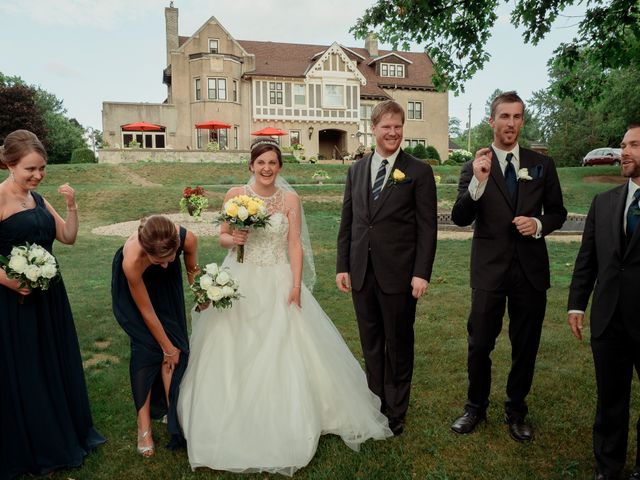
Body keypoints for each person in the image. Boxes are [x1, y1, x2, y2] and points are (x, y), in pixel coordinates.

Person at [177, 137, 391, 476]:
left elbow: (295, 246)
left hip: (278, 279)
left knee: (286, 343)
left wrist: (295, 285)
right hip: (240, 275)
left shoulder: (290, 198)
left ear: (279, 167)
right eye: (260, 162)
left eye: (272, 163)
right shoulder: (235, 195)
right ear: (251, 165)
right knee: (234, 344)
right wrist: (235, 238)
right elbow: (221, 236)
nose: (266, 168)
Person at [450, 91, 567, 442]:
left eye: (517, 117)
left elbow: (558, 213)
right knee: (480, 342)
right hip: (489, 270)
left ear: (522, 121)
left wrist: (539, 225)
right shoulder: (476, 165)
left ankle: (516, 410)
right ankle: (475, 407)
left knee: (525, 344)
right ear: (492, 120)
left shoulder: (542, 164)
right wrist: (478, 181)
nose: (511, 124)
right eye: (504, 116)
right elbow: (459, 218)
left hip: (530, 271)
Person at [0, 129, 105, 479]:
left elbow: (68, 237)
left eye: (42, 168)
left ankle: (63, 429)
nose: (38, 175)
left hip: (50, 297)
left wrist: (73, 207)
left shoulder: (40, 199)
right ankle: (35, 441)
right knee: (26, 366)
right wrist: (9, 281)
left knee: (52, 362)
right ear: (9, 164)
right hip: (14, 301)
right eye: (30, 169)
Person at [336, 100, 438, 435]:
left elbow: (427, 228)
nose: (392, 132)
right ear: (374, 127)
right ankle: (375, 403)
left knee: (398, 343)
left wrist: (421, 272)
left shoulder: (418, 171)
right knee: (371, 343)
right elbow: (348, 222)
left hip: (400, 274)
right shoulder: (356, 170)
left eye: (398, 127)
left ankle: (396, 410)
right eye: (386, 127)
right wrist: (343, 266)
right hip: (362, 271)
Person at [568, 124, 640, 480]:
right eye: (624, 145)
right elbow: (587, 260)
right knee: (611, 400)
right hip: (609, 317)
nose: (624, 152)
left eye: (635, 145)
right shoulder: (604, 203)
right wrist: (577, 304)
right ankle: (608, 467)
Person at [111, 215, 198, 456]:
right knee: (148, 350)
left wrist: (201, 294)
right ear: (147, 251)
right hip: (136, 298)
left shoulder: (187, 240)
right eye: (158, 260)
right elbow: (146, 310)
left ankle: (174, 416)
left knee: (178, 348)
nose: (164, 264)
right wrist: (166, 347)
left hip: (166, 287)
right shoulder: (132, 261)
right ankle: (144, 426)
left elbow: (192, 270)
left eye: (170, 258)